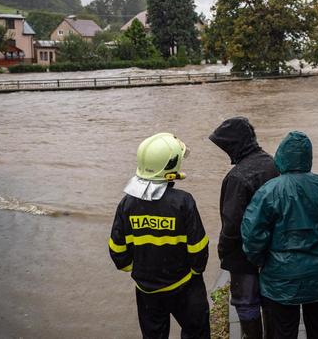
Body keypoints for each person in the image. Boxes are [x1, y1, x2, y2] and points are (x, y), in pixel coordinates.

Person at [241, 131, 318, 339]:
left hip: (279, 276)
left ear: (281, 157)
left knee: (283, 330)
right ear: (308, 158)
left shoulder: (268, 191)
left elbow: (252, 234)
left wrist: (261, 260)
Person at [109, 133, 210, 339]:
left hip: (146, 290)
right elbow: (198, 249)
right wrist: (194, 273)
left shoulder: (127, 203)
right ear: (171, 166)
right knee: (196, 332)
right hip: (184, 286)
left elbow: (118, 251)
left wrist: (141, 270)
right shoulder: (183, 202)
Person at [209, 117, 280, 338]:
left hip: (244, 256)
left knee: (246, 302)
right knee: (271, 299)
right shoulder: (274, 164)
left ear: (234, 145)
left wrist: (224, 253)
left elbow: (231, 224)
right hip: (275, 251)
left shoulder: (237, 177)